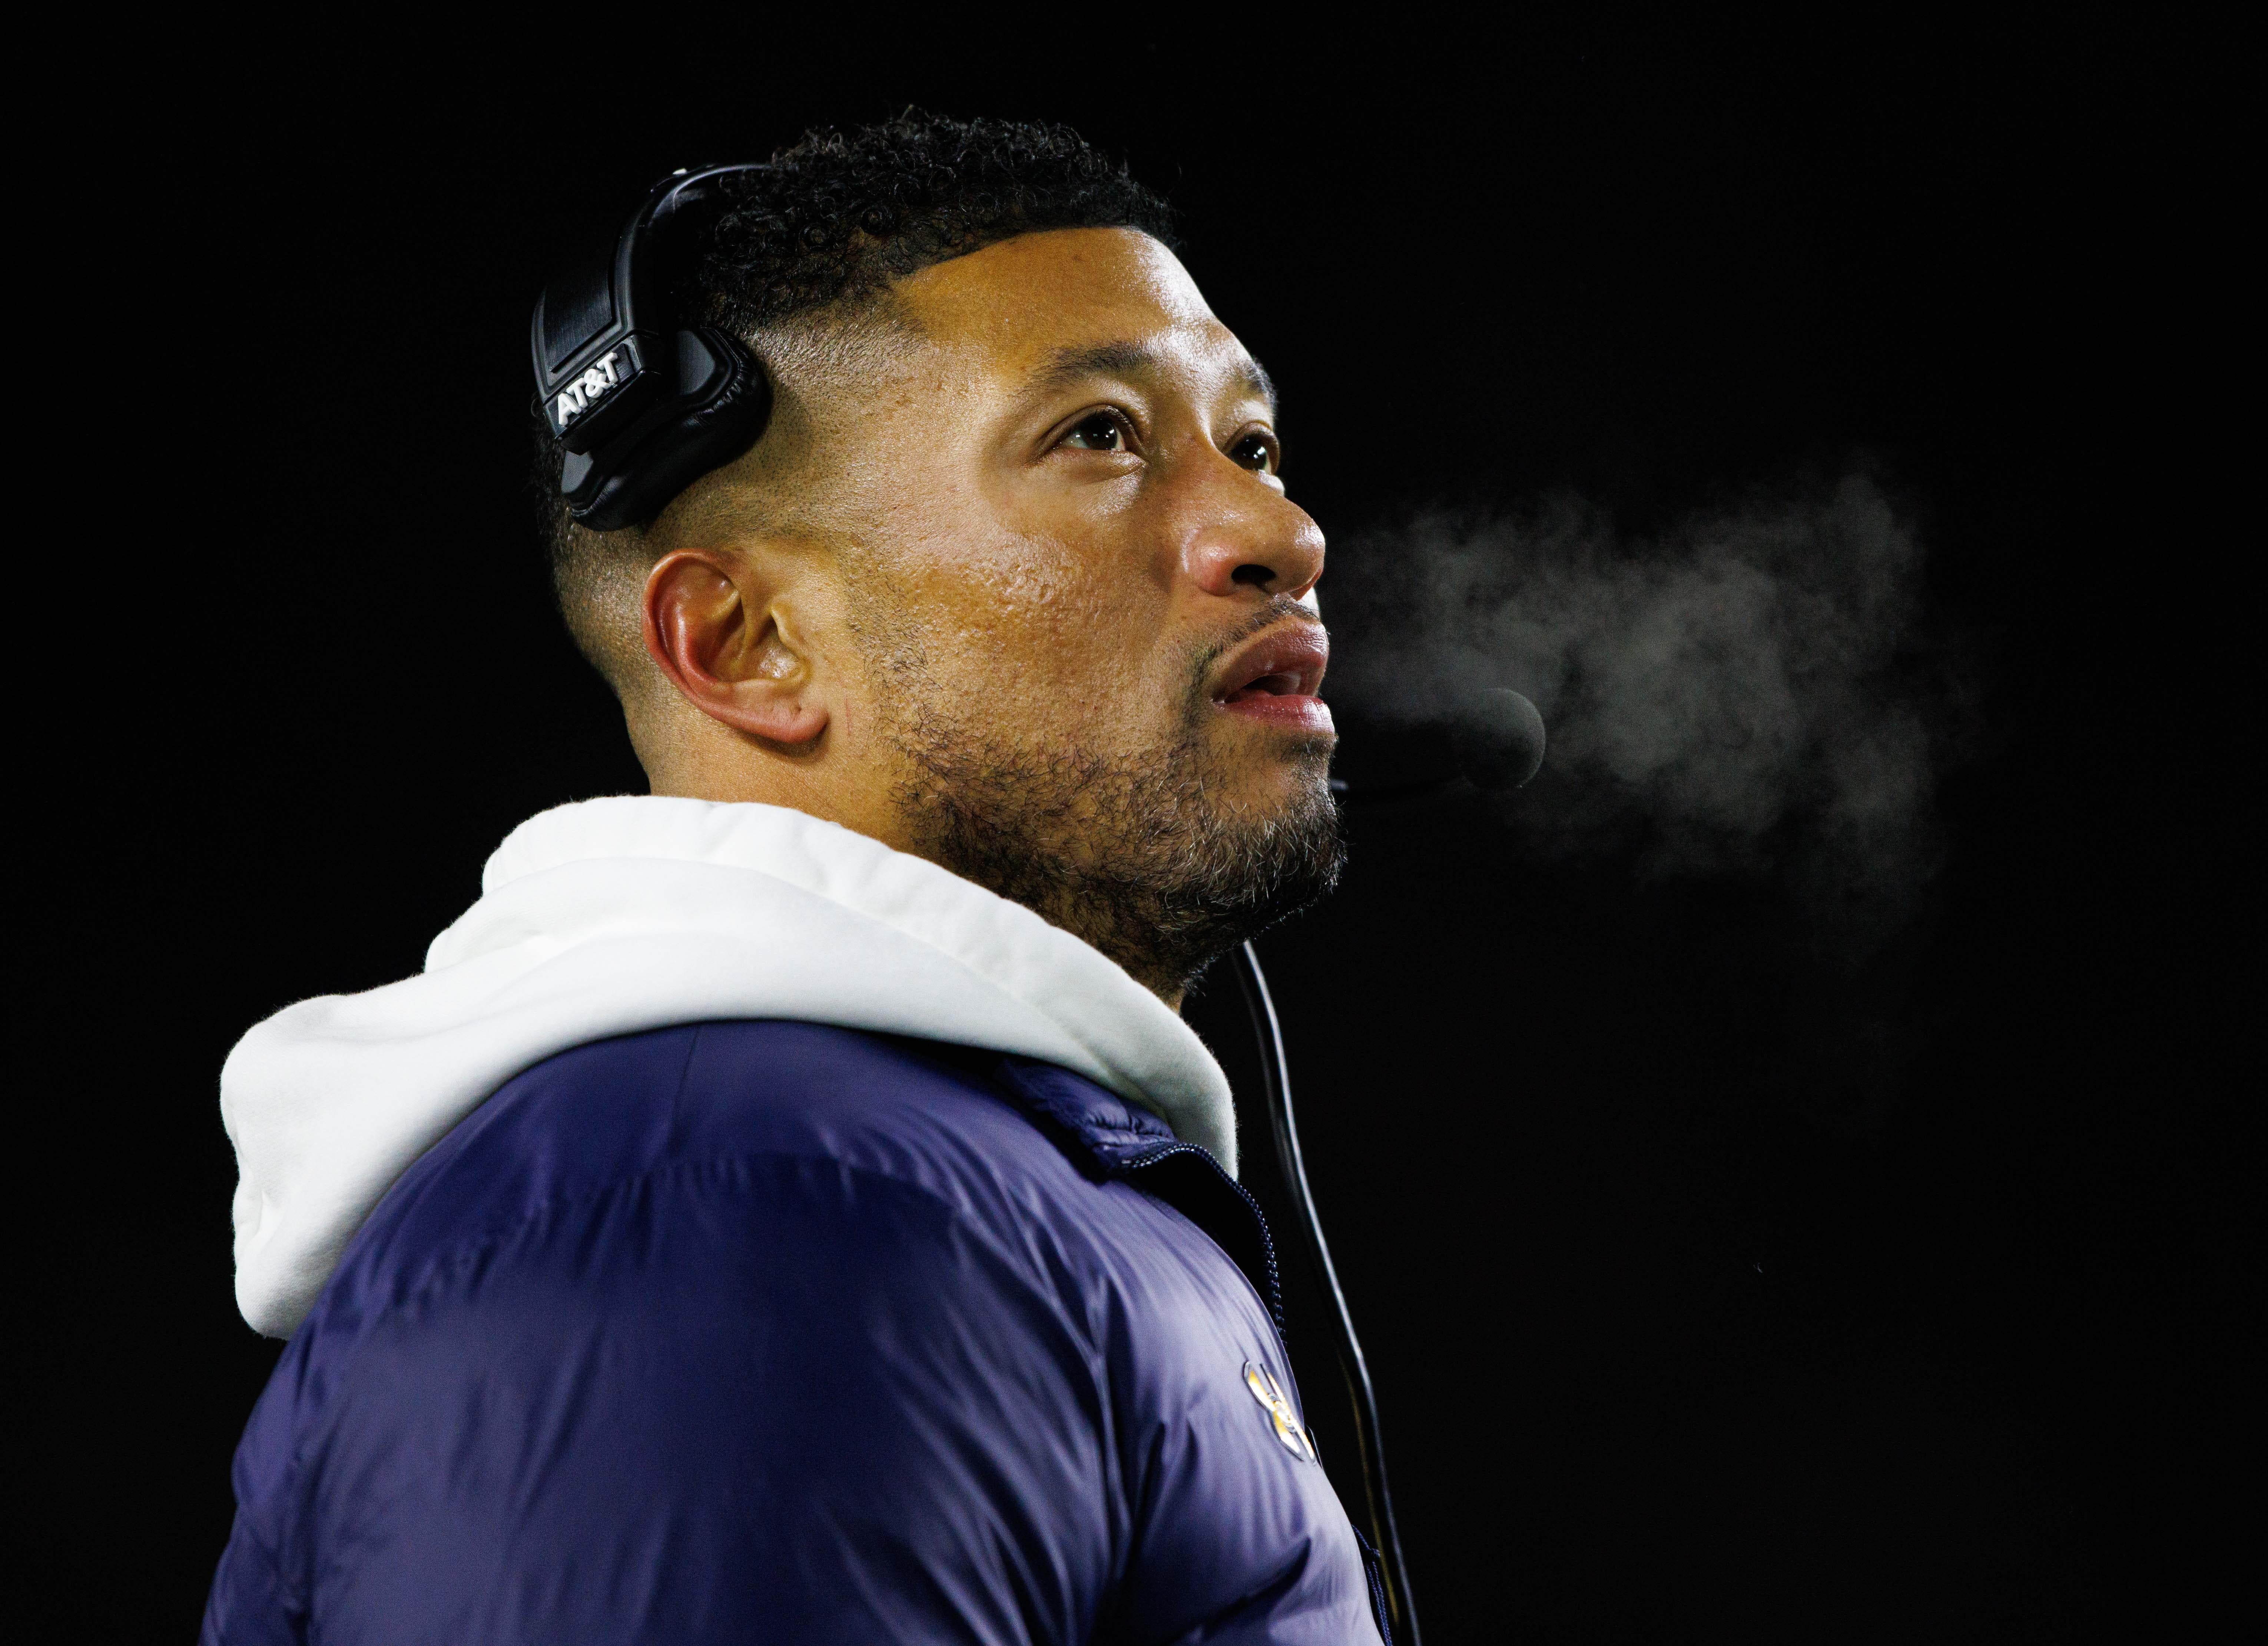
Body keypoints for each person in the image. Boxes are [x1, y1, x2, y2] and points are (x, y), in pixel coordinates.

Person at [204, 114, 1386, 1643]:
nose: (1279, 533)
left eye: (1254, 444)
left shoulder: (898, 1188)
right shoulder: (749, 1221)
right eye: (1099, 434)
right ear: (745, 645)